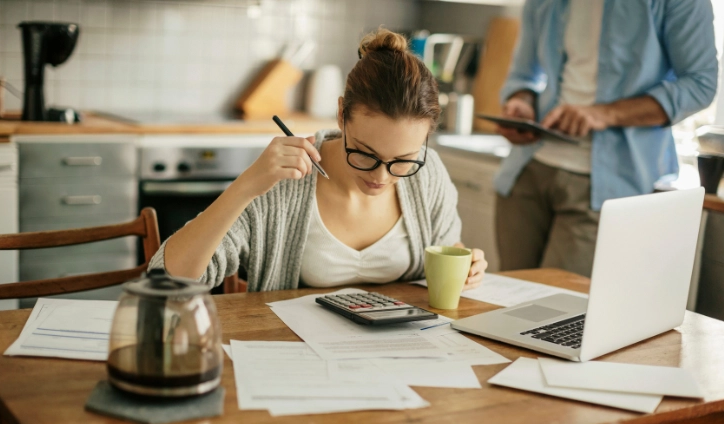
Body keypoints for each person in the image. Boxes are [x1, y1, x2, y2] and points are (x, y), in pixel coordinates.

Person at [150, 28, 488, 292]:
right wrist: (245, 187)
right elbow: (166, 281)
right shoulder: (284, 182)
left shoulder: (428, 176)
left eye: (403, 160)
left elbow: (446, 246)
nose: (383, 177)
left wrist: (467, 264)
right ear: (341, 114)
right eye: (366, 154)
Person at [495, 0, 718, 277]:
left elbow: (700, 84)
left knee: (560, 309)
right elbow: (524, 74)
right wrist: (522, 102)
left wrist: (604, 114)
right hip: (527, 170)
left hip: (609, 187)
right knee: (508, 301)